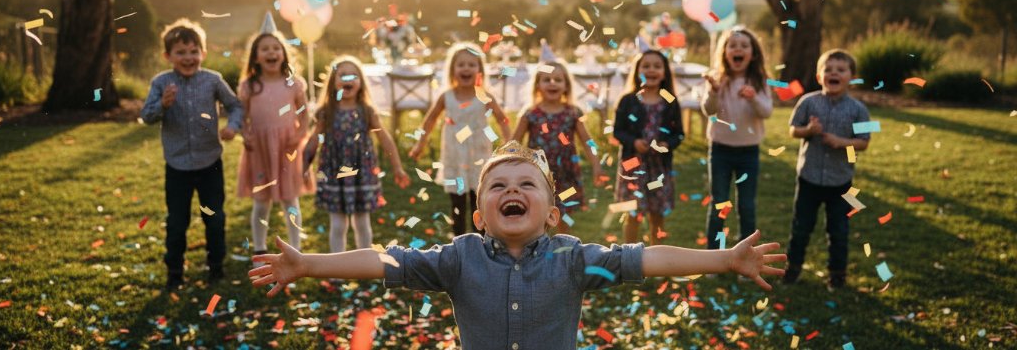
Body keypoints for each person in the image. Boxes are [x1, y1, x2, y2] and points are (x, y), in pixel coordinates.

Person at [249, 141, 786, 350]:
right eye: (498, 186)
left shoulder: (573, 257)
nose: (511, 190)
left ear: (551, 213)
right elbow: (383, 260)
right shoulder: (457, 257)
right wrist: (309, 264)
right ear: (479, 212)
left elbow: (648, 258)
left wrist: (724, 258)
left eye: (526, 184)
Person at [140, 18, 243, 289]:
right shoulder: (161, 83)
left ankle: (216, 266)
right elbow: (146, 116)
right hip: (178, 167)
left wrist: (232, 127)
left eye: (193, 52)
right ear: (168, 56)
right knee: (177, 221)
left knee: (214, 217)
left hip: (210, 164)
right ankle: (174, 270)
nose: (188, 58)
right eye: (181, 52)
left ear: (203, 53)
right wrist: (163, 105)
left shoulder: (212, 80)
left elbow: (235, 106)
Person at [783, 49, 872, 289]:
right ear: (819, 76)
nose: (834, 73)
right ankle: (792, 269)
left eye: (841, 70)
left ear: (851, 77)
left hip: (841, 182)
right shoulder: (808, 102)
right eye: (828, 69)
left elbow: (864, 142)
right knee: (801, 227)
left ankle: (837, 274)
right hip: (809, 177)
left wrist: (842, 143)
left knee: (839, 231)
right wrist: (807, 131)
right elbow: (793, 129)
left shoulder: (859, 110)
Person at [304, 56, 411, 253]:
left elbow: (385, 139)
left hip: (362, 174)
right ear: (333, 82)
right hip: (335, 174)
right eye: (342, 75)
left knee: (362, 224)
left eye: (353, 75)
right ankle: (338, 269)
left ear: (361, 82)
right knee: (338, 225)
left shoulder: (367, 111)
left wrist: (397, 167)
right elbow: (313, 140)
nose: (348, 79)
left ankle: (365, 266)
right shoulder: (326, 112)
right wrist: (304, 167)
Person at [408, 43, 512, 236]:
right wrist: (420, 144)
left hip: (478, 156)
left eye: (471, 65)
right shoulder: (446, 96)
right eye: (461, 64)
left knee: (478, 201)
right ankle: (459, 242)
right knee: (457, 201)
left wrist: (510, 143)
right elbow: (430, 120)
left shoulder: (484, 96)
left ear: (480, 70)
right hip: (455, 157)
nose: (466, 68)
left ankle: (480, 243)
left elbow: (502, 118)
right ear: (452, 70)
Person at [235, 21, 314, 264]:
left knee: (290, 199)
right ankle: (260, 250)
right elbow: (242, 116)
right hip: (259, 149)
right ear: (256, 57)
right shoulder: (250, 86)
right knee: (262, 201)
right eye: (265, 49)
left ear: (284, 54)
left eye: (276, 48)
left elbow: (304, 114)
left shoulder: (294, 84)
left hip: (288, 148)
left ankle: (295, 249)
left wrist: (299, 137)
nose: (271, 53)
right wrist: (245, 134)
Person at [510, 61, 604, 233]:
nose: (552, 83)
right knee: (537, 211)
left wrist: (596, 164)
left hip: (566, 174)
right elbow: (513, 143)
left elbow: (587, 140)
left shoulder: (573, 112)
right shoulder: (530, 113)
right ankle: (537, 246)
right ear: (537, 85)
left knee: (563, 212)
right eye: (547, 79)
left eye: (558, 80)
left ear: (566, 85)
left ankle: (563, 247)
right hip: (538, 174)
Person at [701, 27, 773, 250]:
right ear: (725, 52)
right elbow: (708, 110)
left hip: (748, 152)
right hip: (720, 150)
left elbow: (767, 112)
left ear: (753, 53)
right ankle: (715, 255)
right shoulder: (717, 79)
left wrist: (753, 99)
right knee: (719, 204)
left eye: (744, 46)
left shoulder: (759, 81)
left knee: (747, 206)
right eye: (733, 45)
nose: (738, 49)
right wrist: (713, 91)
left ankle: (745, 255)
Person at [613, 50, 684, 245]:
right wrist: (634, 142)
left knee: (657, 215)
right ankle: (628, 256)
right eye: (646, 66)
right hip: (633, 166)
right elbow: (618, 131)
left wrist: (666, 144)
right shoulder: (628, 100)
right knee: (633, 213)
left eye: (657, 66)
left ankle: (656, 257)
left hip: (659, 169)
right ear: (637, 71)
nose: (651, 70)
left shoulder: (670, 101)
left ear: (664, 72)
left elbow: (679, 133)